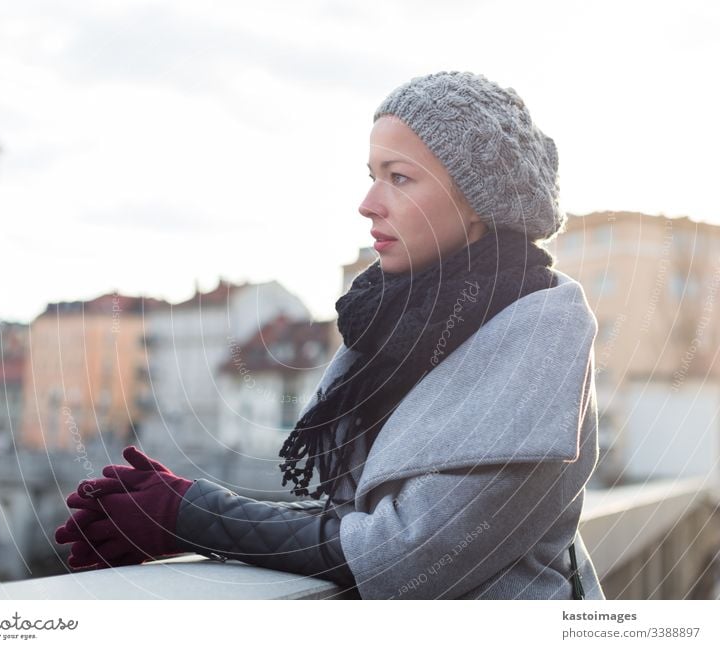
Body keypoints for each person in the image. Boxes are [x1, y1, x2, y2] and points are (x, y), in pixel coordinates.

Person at [56, 70, 606, 600]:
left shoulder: (540, 335)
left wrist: (190, 515)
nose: (368, 204)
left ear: (478, 200)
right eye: (372, 176)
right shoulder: (395, 327)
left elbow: (405, 553)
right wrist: (181, 501)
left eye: (400, 177)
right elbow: (358, 518)